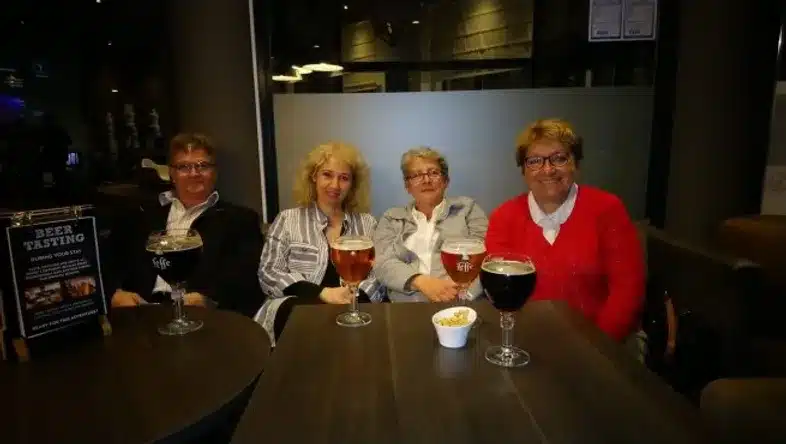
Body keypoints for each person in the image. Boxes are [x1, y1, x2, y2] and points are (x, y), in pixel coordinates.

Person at [485, 118, 645, 342]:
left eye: (559, 158)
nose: (548, 169)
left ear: (575, 164)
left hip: (603, 340)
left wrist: (596, 345)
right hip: (527, 341)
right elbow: (504, 294)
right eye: (535, 161)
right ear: (523, 170)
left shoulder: (607, 209)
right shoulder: (503, 216)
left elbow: (627, 290)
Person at [110, 133, 264, 317]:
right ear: (172, 174)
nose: (194, 173)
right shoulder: (141, 214)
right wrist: (114, 293)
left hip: (201, 316)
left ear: (214, 173)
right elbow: (109, 261)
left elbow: (246, 278)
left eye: (202, 166)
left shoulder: (240, 219)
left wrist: (210, 299)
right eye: (183, 167)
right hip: (141, 312)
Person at [256, 142, 384, 342]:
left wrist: (355, 297)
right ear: (313, 177)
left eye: (344, 178)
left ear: (353, 184)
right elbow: (268, 273)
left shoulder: (368, 223)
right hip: (298, 312)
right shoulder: (287, 220)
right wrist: (322, 293)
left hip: (354, 311)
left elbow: (380, 274)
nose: (335, 185)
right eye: (327, 175)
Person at [374, 147, 488, 303]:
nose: (426, 180)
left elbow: (485, 259)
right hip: (404, 308)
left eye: (434, 173)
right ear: (407, 186)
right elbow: (382, 263)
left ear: (446, 181)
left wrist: (462, 296)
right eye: (416, 175)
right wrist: (421, 282)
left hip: (460, 303)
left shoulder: (468, 210)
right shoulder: (391, 218)